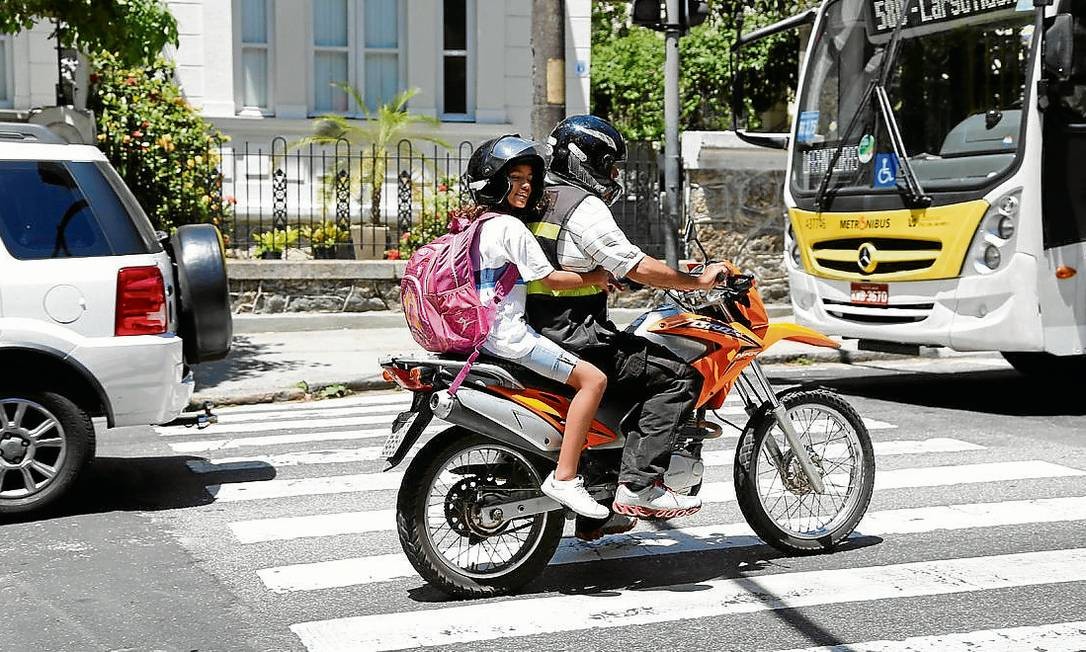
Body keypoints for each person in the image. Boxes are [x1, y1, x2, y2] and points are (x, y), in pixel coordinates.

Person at [525, 115, 730, 523]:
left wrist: (598, 279)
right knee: (676, 377)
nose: (613, 173)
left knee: (635, 374)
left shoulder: (538, 198)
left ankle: (596, 517)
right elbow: (634, 264)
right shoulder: (585, 207)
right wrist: (695, 281)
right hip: (575, 336)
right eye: (608, 163)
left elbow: (559, 263)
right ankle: (640, 486)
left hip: (537, 328)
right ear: (584, 161)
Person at [461, 134, 612, 520]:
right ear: (492, 179)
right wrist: (598, 276)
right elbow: (551, 279)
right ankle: (565, 477)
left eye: (530, 177)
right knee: (593, 381)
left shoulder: (473, 223)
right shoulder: (511, 228)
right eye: (514, 176)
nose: (526, 185)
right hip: (511, 338)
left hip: (480, 335)